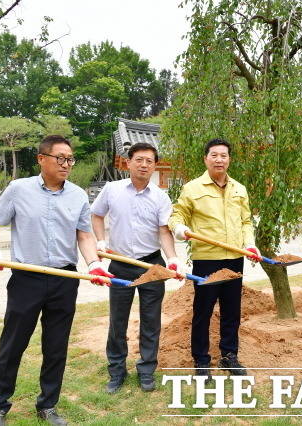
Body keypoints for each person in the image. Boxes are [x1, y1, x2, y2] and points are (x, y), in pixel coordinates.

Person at [0, 135, 112, 426]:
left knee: (56, 345)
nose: (67, 164)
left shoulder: (78, 195)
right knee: (13, 343)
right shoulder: (18, 189)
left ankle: (48, 405)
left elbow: (84, 234)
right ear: (42, 159)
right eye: (60, 158)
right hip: (26, 277)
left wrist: (94, 264)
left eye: (70, 159)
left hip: (64, 278)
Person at [91, 142, 181, 394]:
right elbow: (96, 215)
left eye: (149, 161)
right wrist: (100, 241)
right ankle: (117, 371)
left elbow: (164, 231)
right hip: (119, 264)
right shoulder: (112, 189)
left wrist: (172, 258)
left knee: (150, 321)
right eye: (139, 160)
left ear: (155, 166)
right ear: (128, 162)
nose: (144, 165)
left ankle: (146, 370)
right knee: (117, 321)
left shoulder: (161, 196)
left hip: (151, 265)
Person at [168, 138, 260, 380]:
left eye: (224, 155)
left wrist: (250, 244)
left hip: (234, 258)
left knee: (232, 311)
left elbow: (246, 221)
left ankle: (229, 355)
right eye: (214, 155)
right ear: (205, 158)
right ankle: (201, 359)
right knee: (203, 311)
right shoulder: (192, 188)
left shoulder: (239, 189)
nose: (219, 159)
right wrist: (179, 229)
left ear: (229, 159)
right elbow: (177, 215)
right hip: (207, 260)